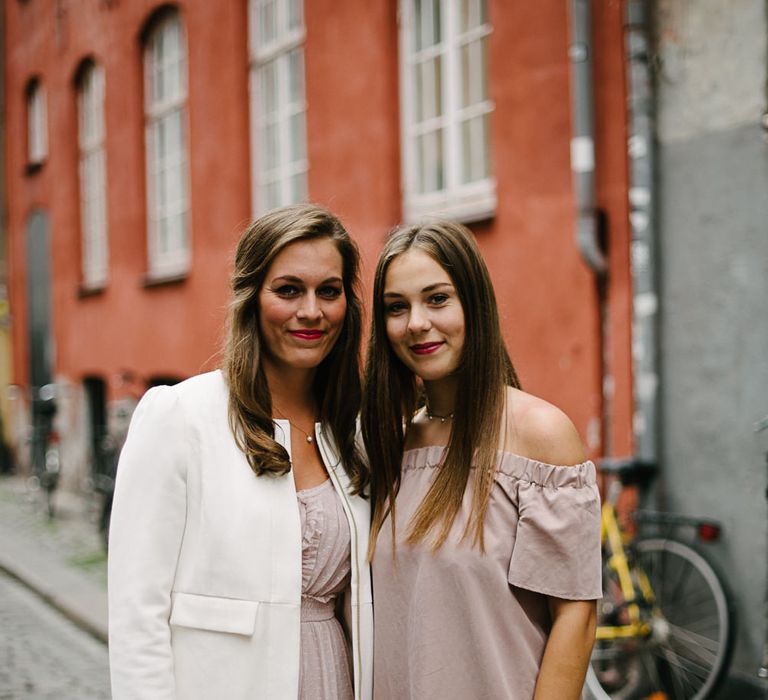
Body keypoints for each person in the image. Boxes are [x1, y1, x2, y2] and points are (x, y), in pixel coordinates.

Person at [108, 204, 373, 700]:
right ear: (252, 298)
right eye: (289, 290)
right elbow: (136, 612)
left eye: (329, 291)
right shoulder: (181, 416)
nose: (311, 311)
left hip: (334, 677)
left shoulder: (351, 432)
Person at [362, 220, 601, 700]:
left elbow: (575, 615)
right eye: (396, 307)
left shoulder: (540, 436)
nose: (415, 323)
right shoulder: (392, 445)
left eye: (436, 298)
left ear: (474, 303)